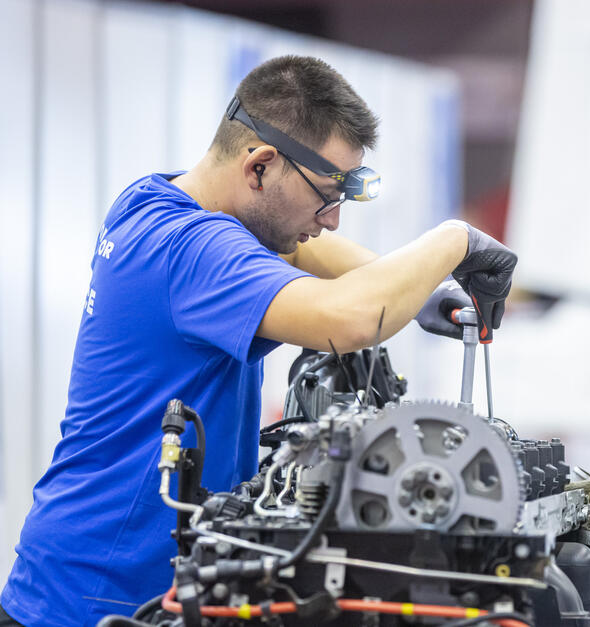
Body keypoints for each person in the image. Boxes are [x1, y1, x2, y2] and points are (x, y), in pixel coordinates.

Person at [0, 55, 515, 626]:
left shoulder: (156, 199)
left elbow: (301, 248)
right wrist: (453, 241)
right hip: (99, 599)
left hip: (111, 579)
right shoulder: (190, 251)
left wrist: (419, 294)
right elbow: (345, 320)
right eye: (326, 195)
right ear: (260, 166)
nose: (332, 220)